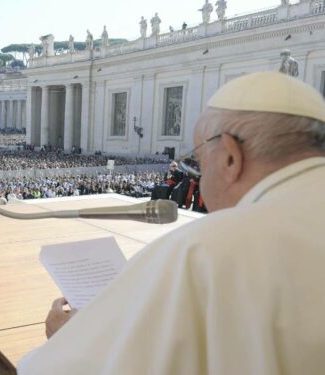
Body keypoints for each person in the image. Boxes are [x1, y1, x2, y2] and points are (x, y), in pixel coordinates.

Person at [18, 72, 325, 373]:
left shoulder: (205, 249)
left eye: (199, 165)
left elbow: (53, 369)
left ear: (231, 157)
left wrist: (69, 338)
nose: (199, 181)